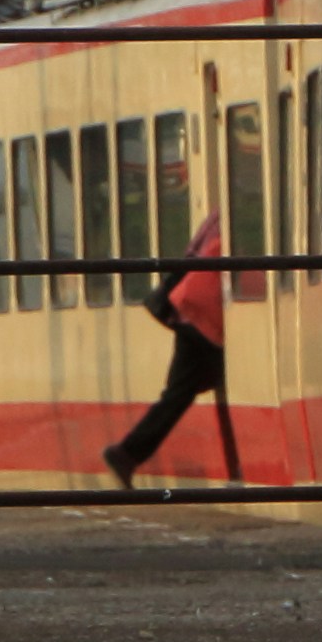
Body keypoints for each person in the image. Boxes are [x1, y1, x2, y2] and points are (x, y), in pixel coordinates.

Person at [105, 94, 232, 491]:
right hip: (203, 311)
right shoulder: (241, 209)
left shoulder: (221, 210)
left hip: (191, 305)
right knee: (179, 391)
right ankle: (128, 452)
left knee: (182, 387)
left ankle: (128, 453)